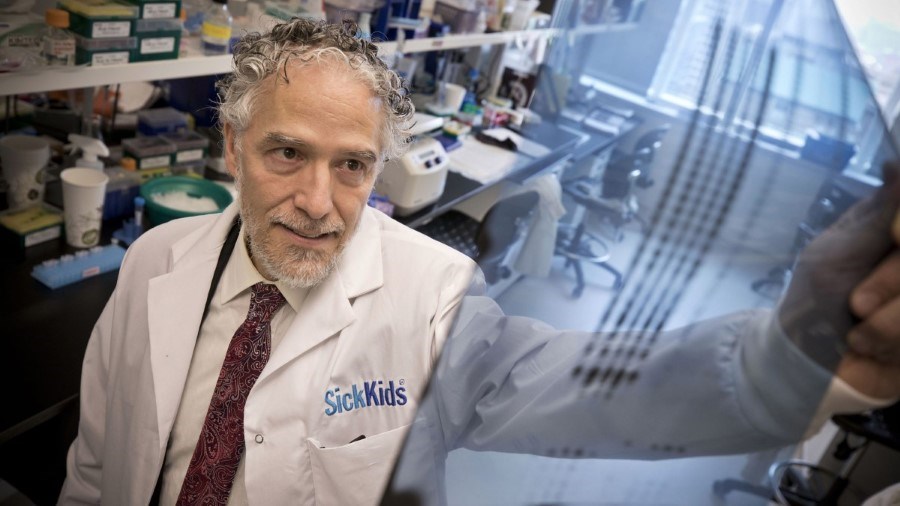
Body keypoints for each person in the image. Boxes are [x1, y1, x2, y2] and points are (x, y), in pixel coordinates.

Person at [59, 17, 900, 506]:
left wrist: (802, 348)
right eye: (287, 153)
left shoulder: (432, 295)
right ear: (233, 146)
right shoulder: (154, 263)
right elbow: (98, 464)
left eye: (351, 164)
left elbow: (597, 392)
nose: (319, 200)